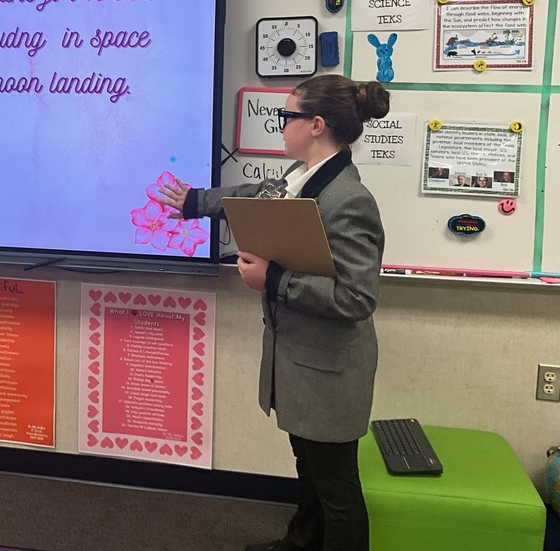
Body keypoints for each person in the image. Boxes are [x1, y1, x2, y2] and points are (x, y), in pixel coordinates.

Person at [159, 74, 390, 551]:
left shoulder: (349, 200)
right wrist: (195, 202)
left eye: (287, 117)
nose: (281, 126)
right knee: (309, 470)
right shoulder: (299, 179)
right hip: (301, 362)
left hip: (330, 371)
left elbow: (356, 299)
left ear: (317, 125)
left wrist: (276, 280)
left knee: (338, 488)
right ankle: (301, 543)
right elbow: (254, 196)